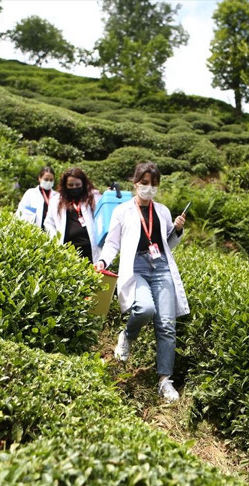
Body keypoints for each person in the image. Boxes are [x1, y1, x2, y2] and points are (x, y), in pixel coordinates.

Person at [95, 162, 189, 402]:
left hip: (160, 267)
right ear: (135, 183)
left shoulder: (163, 211)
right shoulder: (122, 211)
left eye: (153, 184)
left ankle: (165, 381)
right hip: (135, 267)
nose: (149, 188)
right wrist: (104, 261)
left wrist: (177, 230)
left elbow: (168, 244)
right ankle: (127, 335)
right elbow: (113, 243)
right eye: (144, 183)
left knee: (167, 325)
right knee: (145, 308)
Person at [44, 166, 101, 263]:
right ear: (65, 185)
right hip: (68, 252)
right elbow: (48, 223)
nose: (74, 188)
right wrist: (55, 239)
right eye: (70, 185)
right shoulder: (56, 201)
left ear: (83, 184)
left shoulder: (93, 198)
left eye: (77, 184)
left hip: (91, 251)